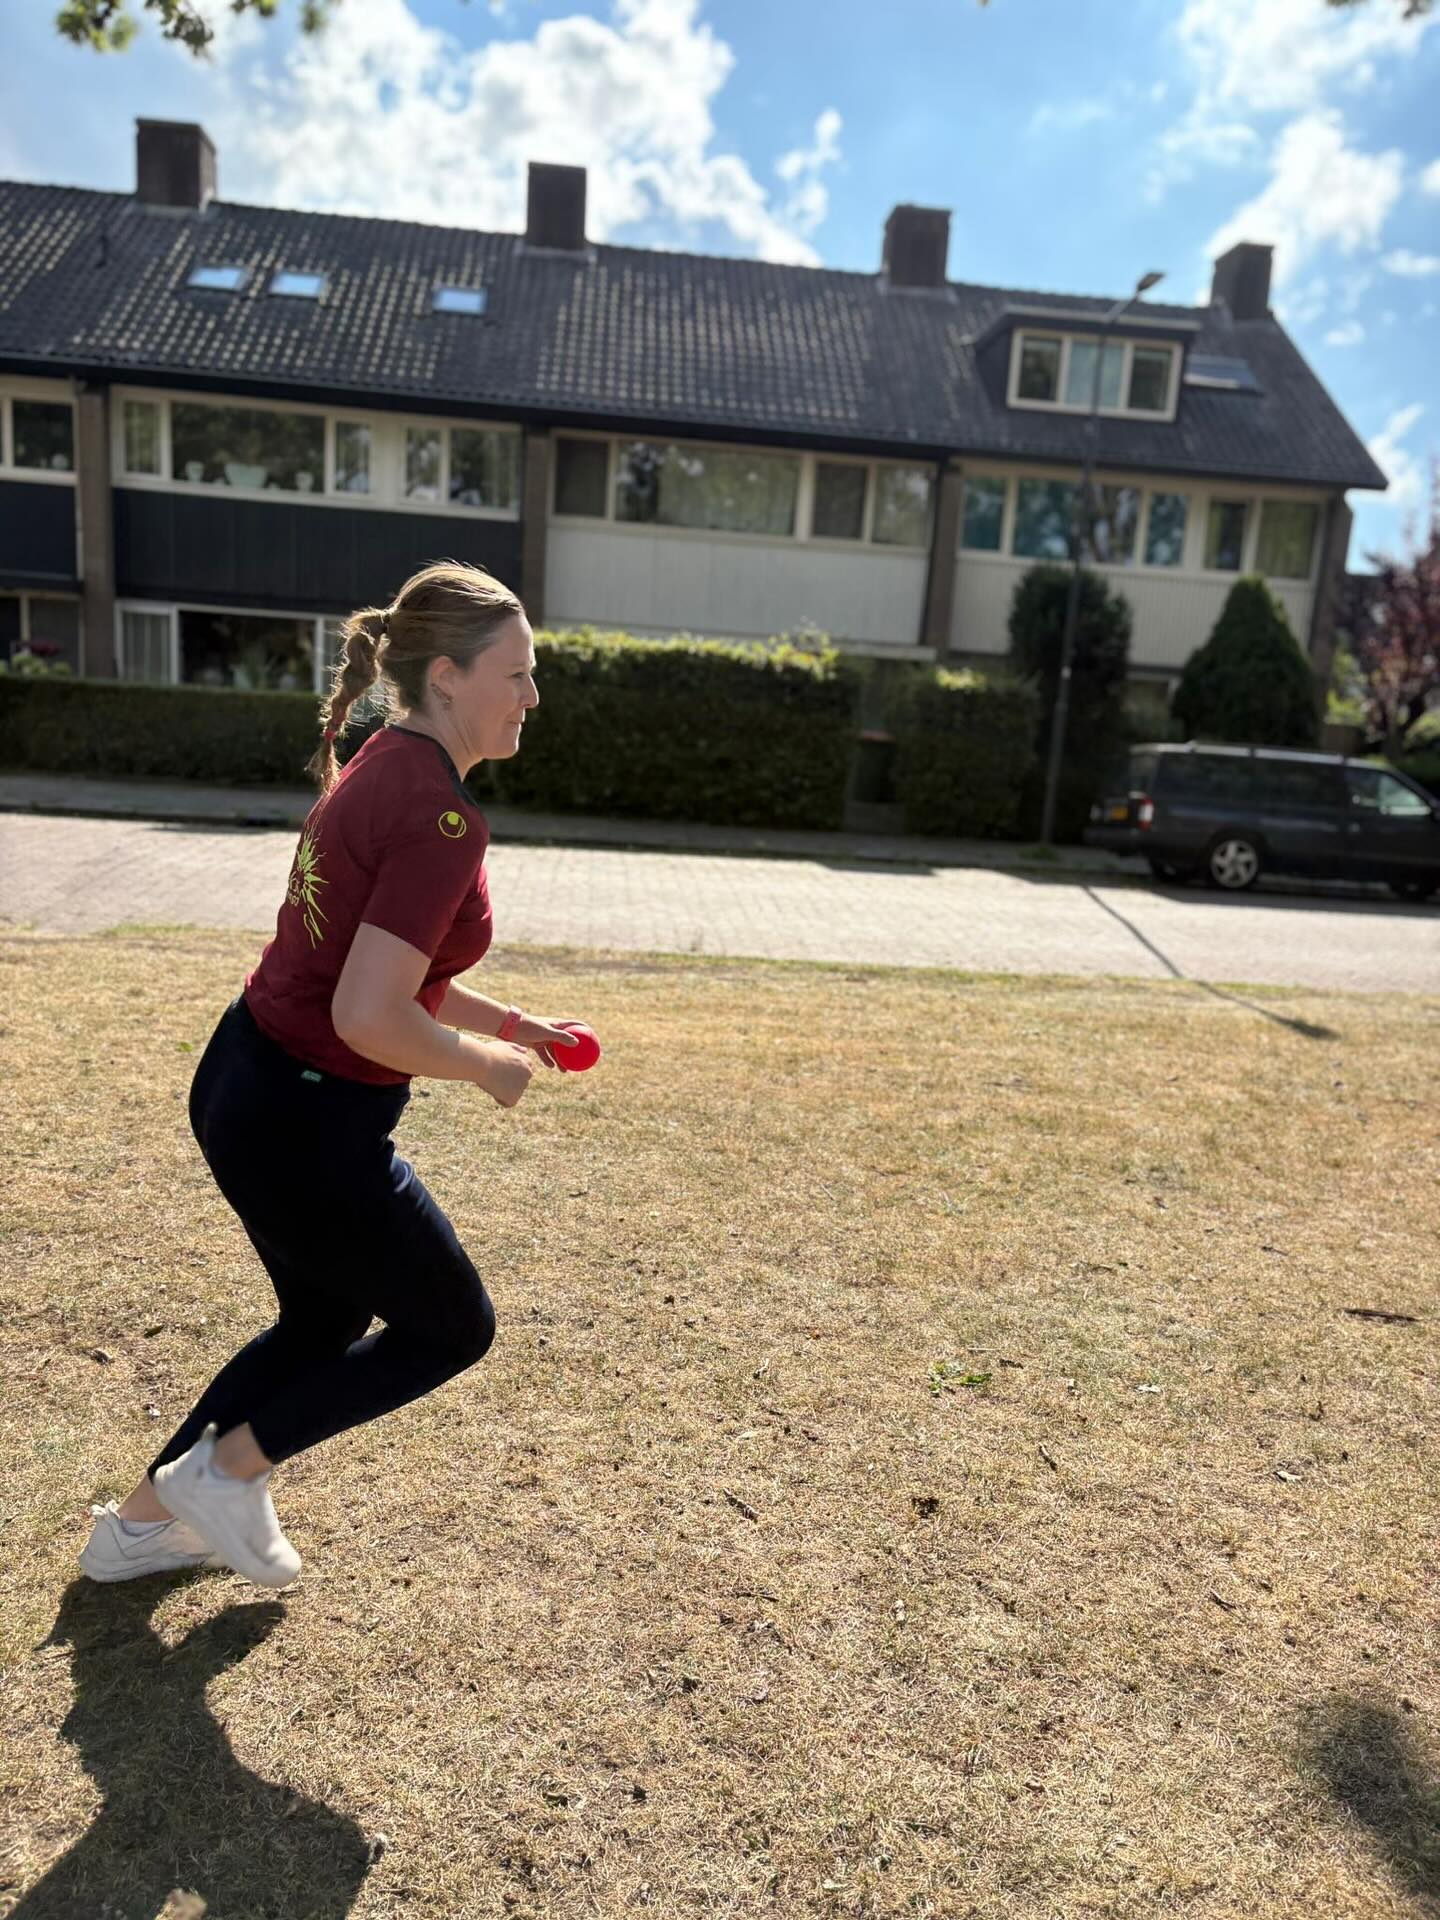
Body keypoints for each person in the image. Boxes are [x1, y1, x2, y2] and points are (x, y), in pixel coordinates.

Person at [79, 561, 583, 1588]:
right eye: (517, 673)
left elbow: (387, 968)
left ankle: (136, 1529)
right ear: (446, 676)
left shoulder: (386, 760)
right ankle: (224, 1475)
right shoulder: (440, 818)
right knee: (451, 1327)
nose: (533, 695)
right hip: (306, 1122)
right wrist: (486, 1067)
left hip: (246, 1078)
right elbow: (370, 1013)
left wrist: (512, 1023)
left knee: (322, 1320)